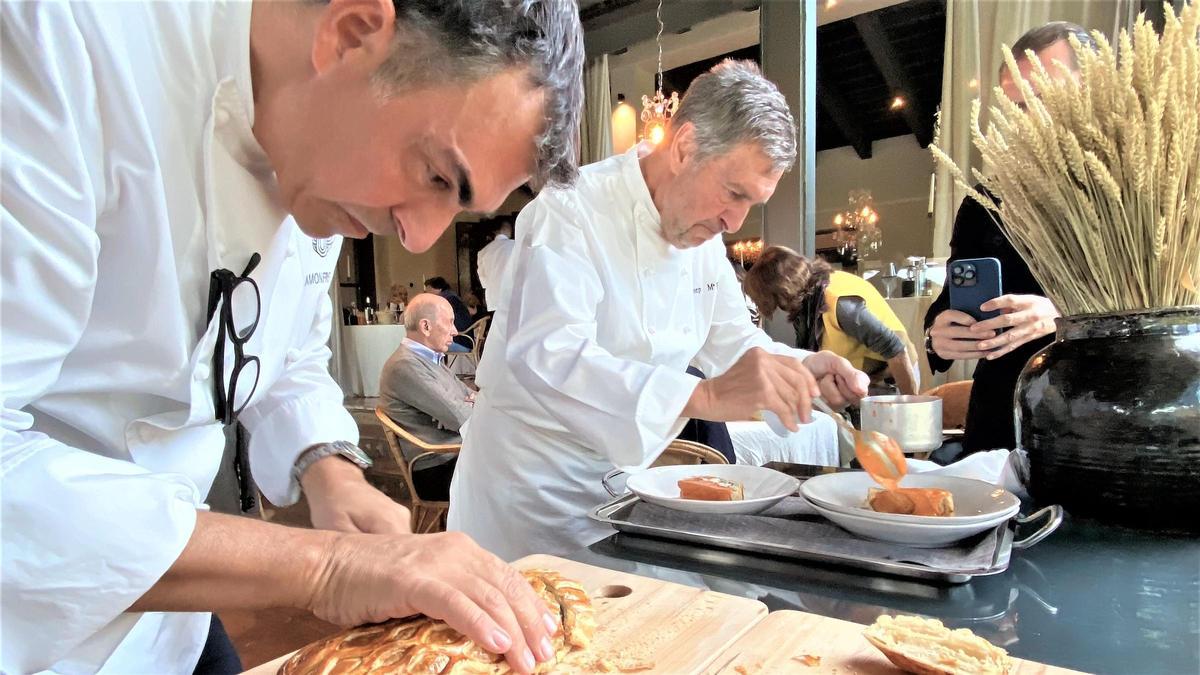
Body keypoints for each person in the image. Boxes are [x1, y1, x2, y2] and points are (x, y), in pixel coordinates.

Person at [0, 1, 583, 673]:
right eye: (435, 175)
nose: (419, 237)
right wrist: (331, 566)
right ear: (351, 33)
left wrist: (328, 469)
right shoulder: (58, 38)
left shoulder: (324, 146)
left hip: (166, 618)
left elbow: (288, 354)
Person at [448, 60, 869, 560]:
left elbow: (733, 337)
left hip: (624, 485)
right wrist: (704, 396)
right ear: (685, 146)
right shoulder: (570, 209)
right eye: (733, 193)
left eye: (751, 203)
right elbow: (551, 355)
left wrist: (799, 369)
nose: (734, 221)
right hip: (530, 491)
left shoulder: (701, 234)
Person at [924, 22, 1093, 454]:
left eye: (1042, 98)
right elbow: (951, 298)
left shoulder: (1137, 191)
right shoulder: (986, 201)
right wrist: (938, 333)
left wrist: (1062, 315)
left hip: (1097, 418)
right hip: (1000, 418)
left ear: (1094, 84)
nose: (1028, 120)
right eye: (1016, 107)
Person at [743, 246, 920, 396]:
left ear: (782, 292)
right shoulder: (809, 304)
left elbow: (895, 350)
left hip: (894, 379)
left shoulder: (840, 305)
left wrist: (910, 406)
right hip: (864, 380)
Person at [380, 294, 476, 445]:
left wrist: (472, 403)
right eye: (450, 323)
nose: (455, 331)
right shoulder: (405, 365)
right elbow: (462, 417)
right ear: (426, 327)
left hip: (459, 450)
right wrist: (467, 405)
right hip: (441, 460)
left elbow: (468, 395)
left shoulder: (430, 358)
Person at [424, 276, 473, 351]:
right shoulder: (451, 297)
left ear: (439, 288)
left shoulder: (446, 300)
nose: (427, 293)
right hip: (465, 341)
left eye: (429, 290)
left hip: (460, 342)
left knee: (423, 342)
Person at [478, 219, 517, 310]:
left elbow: (483, 281)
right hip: (513, 295)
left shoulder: (483, 252)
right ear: (504, 229)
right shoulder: (515, 245)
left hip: (494, 298)